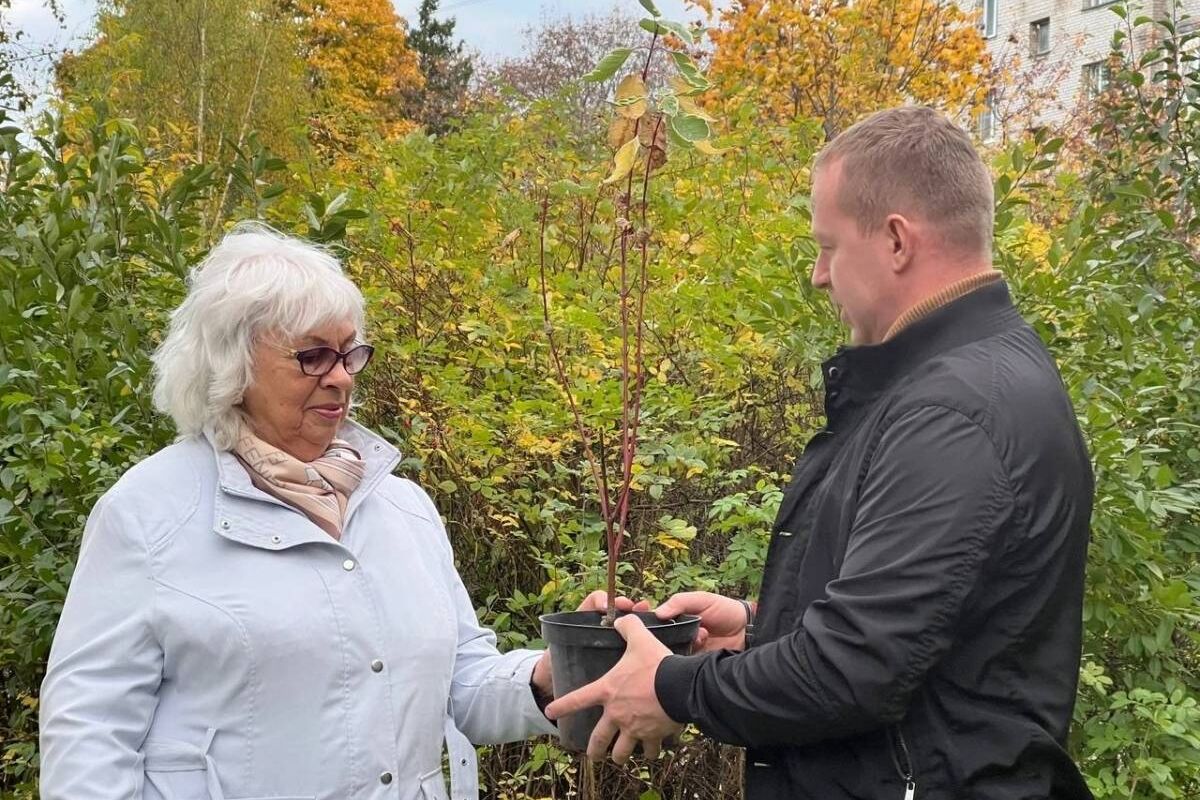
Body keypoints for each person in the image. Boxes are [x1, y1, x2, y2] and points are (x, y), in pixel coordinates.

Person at [546, 106, 1096, 800]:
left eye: (828, 246)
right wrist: (758, 629)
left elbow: (852, 669)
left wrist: (672, 686)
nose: (818, 275)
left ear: (896, 241)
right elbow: (927, 627)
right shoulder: (960, 381)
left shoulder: (951, 414)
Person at [39, 225, 589, 800]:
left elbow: (461, 683)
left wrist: (551, 674)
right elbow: (87, 731)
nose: (342, 376)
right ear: (233, 364)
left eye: (350, 353)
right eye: (313, 356)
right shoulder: (150, 512)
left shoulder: (402, 506)